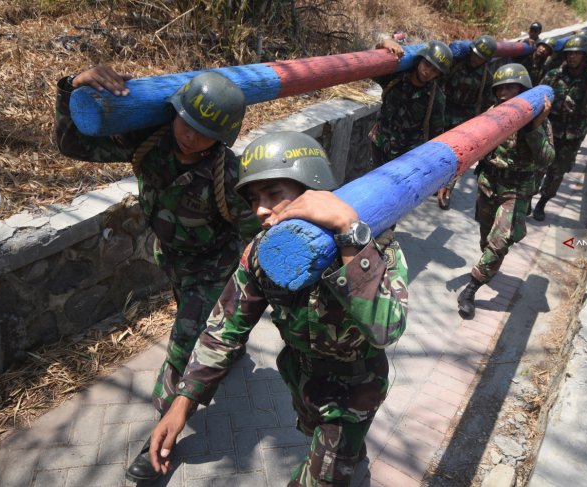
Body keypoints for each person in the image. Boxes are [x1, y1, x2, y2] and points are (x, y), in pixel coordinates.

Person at [146, 131, 409, 485]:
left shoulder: (374, 244)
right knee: (330, 452)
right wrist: (182, 403)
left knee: (322, 474)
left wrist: (349, 235)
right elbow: (224, 331)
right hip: (302, 380)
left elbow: (386, 329)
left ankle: (344, 464)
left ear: (313, 190)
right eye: (254, 197)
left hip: (352, 392)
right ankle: (351, 463)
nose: (259, 209)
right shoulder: (263, 253)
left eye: (274, 194)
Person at [54, 67, 259, 481]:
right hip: (170, 257)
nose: (189, 135)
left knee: (183, 344)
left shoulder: (230, 175)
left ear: (221, 138)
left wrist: (247, 292)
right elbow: (71, 144)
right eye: (186, 121)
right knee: (197, 326)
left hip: (212, 266)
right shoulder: (150, 141)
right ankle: (224, 352)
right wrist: (71, 86)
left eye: (204, 132)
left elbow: (258, 233)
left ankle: (161, 438)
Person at [457, 64, 554, 317]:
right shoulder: (491, 115)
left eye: (510, 88)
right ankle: (488, 265)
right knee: (486, 239)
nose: (504, 94)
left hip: (517, 191)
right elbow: (472, 146)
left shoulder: (540, 121)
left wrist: (535, 128)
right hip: (489, 186)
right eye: (500, 89)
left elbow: (547, 159)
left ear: (523, 89)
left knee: (499, 242)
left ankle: (471, 289)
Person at [532, 34, 587, 221]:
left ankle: (542, 203)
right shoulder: (554, 75)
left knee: (557, 172)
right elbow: (539, 97)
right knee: (536, 167)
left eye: (577, 53)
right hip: (549, 129)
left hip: (571, 137)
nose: (572, 57)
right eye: (570, 53)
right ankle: (526, 199)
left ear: (585, 55)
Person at [369, 38, 451, 168]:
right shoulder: (395, 79)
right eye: (427, 64)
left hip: (407, 158)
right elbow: (372, 67)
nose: (428, 72)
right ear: (420, 60)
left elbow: (436, 136)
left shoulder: (436, 98)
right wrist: (383, 44)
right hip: (380, 144)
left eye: (435, 70)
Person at [437, 35, 497, 210]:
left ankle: (448, 188)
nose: (475, 58)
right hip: (443, 114)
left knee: (458, 157)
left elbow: (487, 103)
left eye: (480, 57)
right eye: (474, 54)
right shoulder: (456, 65)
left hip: (465, 122)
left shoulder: (487, 78)